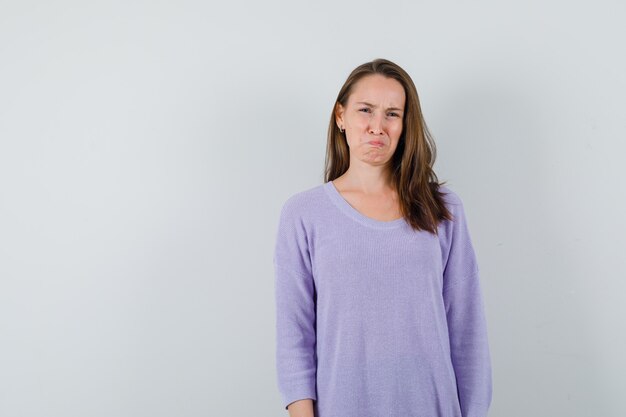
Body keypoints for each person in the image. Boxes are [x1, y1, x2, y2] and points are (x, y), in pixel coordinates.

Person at [273, 58, 492, 417]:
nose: (378, 127)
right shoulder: (303, 214)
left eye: (392, 114)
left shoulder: (443, 209)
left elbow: (467, 328)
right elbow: (294, 336)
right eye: (365, 110)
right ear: (340, 116)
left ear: (406, 125)